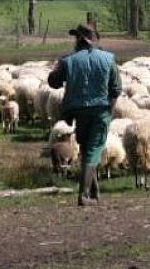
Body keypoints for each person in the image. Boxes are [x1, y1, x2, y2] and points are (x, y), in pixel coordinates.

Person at [48, 23, 121, 206]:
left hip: (78, 112)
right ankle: (84, 194)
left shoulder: (69, 60)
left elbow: (54, 83)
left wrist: (59, 67)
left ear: (80, 39)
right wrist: (109, 111)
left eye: (76, 37)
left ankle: (94, 192)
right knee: (93, 150)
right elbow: (116, 89)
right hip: (100, 111)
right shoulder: (108, 59)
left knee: (88, 150)